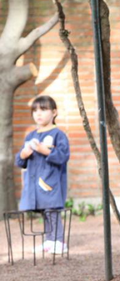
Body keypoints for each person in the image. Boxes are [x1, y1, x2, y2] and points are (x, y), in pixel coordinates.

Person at [15, 96, 70, 255]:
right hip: (34, 183)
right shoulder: (30, 136)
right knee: (45, 213)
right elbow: (20, 161)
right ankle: (49, 241)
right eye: (35, 110)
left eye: (43, 109)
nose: (38, 114)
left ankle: (59, 241)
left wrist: (45, 151)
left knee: (52, 211)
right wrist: (23, 155)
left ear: (54, 112)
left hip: (50, 181)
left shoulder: (58, 134)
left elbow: (63, 156)